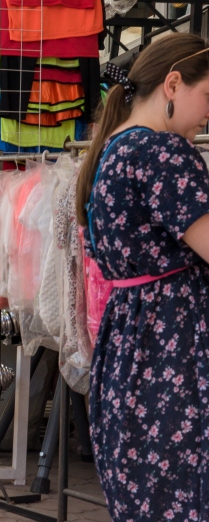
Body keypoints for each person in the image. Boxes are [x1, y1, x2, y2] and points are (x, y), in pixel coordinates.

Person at [75, 33, 209, 521]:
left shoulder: (112, 148)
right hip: (173, 347)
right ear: (173, 84)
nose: (208, 113)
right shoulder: (164, 155)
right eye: (207, 97)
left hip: (132, 345)